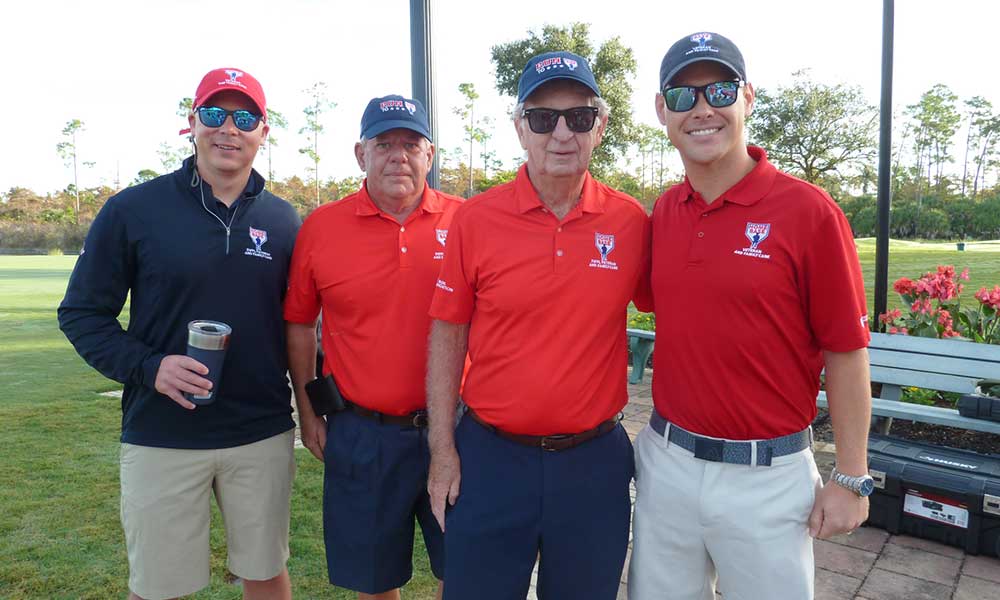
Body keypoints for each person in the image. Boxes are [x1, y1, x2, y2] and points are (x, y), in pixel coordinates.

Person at [628, 32, 874, 600]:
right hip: (667, 467)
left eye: (719, 89)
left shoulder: (809, 212)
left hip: (768, 478)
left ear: (748, 98)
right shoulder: (666, 211)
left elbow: (846, 350)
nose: (703, 109)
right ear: (662, 110)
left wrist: (851, 477)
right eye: (683, 96)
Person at [58, 68, 300, 600]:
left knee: (264, 571)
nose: (228, 129)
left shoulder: (286, 222)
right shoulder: (134, 210)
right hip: (162, 433)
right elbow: (81, 314)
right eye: (213, 114)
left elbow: (303, 326)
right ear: (192, 124)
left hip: (260, 432)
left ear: (264, 130)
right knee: (159, 586)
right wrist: (151, 367)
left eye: (244, 117)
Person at [426, 51, 652, 600]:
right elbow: (448, 332)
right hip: (491, 457)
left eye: (578, 117)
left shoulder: (630, 222)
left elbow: (686, 311)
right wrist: (441, 450)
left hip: (592, 463)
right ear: (519, 128)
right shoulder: (476, 219)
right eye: (543, 118)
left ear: (599, 126)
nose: (561, 134)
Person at [284, 95, 462, 600]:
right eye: (384, 143)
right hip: (364, 432)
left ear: (430, 155)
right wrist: (307, 406)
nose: (398, 155)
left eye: (411, 144)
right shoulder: (322, 227)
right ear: (361, 154)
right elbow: (299, 324)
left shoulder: (468, 222)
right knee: (373, 579)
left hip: (458, 431)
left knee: (469, 572)